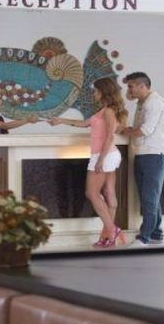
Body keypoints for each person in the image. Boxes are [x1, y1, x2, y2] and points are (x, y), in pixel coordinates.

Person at [49, 77, 128, 248]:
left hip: (104, 155)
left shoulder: (108, 111)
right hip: (106, 155)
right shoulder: (103, 110)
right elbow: (85, 123)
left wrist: (100, 159)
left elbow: (110, 137)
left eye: (96, 91)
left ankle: (112, 230)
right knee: (108, 194)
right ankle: (107, 237)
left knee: (92, 193)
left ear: (103, 92)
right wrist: (61, 120)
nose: (94, 94)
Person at [121, 72, 164, 246]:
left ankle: (144, 238)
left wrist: (126, 131)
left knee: (149, 198)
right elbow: (139, 129)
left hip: (154, 156)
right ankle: (156, 234)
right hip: (142, 154)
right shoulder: (142, 103)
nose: (128, 90)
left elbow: (145, 130)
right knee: (150, 198)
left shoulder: (154, 102)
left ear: (142, 86)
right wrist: (129, 130)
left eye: (131, 86)